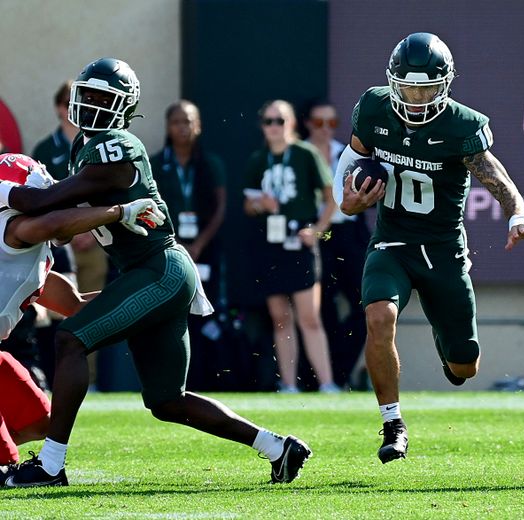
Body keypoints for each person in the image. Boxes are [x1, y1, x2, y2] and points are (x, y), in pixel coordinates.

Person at [0, 58, 311, 487]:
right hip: (151, 273)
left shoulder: (116, 147)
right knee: (168, 401)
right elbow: (60, 215)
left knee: (70, 339)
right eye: (86, 96)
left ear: (123, 107)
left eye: (101, 99)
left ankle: (51, 465)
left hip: (159, 270)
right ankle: (278, 447)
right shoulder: (85, 147)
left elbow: (43, 204)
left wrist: (7, 191)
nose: (90, 105)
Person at [335, 33, 524, 463]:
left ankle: (448, 345)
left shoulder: (462, 125)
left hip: (443, 251)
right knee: (378, 314)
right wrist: (344, 200)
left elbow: (497, 180)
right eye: (408, 87)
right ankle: (393, 423)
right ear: (393, 83)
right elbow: (350, 157)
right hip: (392, 241)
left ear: (445, 85)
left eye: (427, 87)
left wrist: (517, 214)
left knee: (464, 367)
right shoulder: (374, 108)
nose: (417, 97)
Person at [0, 152, 163, 482]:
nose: (54, 204)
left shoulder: (32, 255)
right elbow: (51, 224)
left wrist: (152, 291)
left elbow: (75, 304)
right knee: (5, 465)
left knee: (39, 422)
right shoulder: (15, 228)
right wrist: (118, 212)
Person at [243, 99, 339, 394]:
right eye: (269, 121)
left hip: (299, 242)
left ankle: (327, 383)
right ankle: (288, 383)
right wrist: (260, 204)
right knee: (280, 318)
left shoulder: (305, 154)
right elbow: (248, 205)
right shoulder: (259, 159)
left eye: (280, 121)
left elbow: (331, 197)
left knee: (309, 317)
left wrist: (318, 230)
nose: (274, 127)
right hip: (271, 244)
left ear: (292, 124)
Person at [32, 80, 110, 390]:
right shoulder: (44, 148)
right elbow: (36, 196)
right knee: (51, 311)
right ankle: (52, 377)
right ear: (58, 108)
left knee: (90, 313)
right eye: (67, 103)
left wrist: (90, 229)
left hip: (92, 241)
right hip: (53, 243)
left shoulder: (97, 144)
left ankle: (87, 381)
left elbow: (106, 191)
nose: (72, 109)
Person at [151, 100, 227, 390]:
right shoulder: (158, 164)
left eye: (189, 121)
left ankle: (209, 379)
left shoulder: (211, 163)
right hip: (169, 250)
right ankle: (173, 379)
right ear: (169, 128)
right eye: (177, 122)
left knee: (207, 313)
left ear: (199, 126)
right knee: (172, 312)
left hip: (205, 250)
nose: (183, 128)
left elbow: (220, 207)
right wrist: (178, 244)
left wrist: (198, 244)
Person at [305, 101, 370, 388]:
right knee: (321, 309)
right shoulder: (299, 154)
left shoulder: (345, 153)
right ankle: (322, 376)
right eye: (319, 123)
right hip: (315, 236)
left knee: (364, 305)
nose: (325, 130)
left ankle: (340, 373)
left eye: (331, 123)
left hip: (348, 233)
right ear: (308, 124)